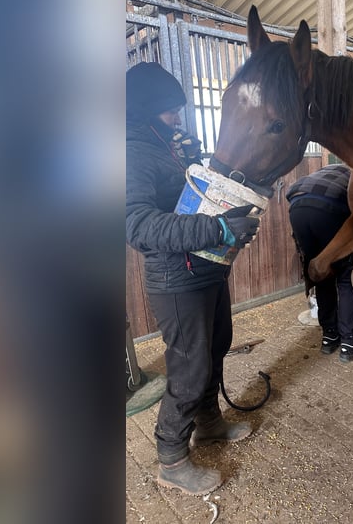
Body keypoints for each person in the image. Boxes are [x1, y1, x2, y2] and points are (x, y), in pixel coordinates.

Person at [126, 62, 261, 495]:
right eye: (171, 112)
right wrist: (218, 229)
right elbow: (139, 226)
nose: (179, 119)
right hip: (174, 276)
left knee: (216, 345)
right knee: (188, 365)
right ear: (144, 111)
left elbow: (188, 197)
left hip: (205, 266)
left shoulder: (166, 144)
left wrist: (196, 162)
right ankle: (170, 457)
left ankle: (208, 424)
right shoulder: (128, 153)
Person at [286, 164, 353, 363]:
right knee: (346, 276)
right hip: (331, 210)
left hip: (297, 207)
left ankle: (329, 337)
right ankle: (349, 342)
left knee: (321, 274)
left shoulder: (326, 170)